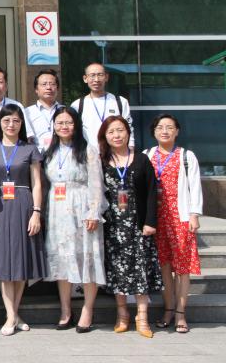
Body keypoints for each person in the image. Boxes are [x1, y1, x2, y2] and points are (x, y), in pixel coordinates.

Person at [42, 106, 106, 333]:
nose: (64, 126)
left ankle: (88, 310)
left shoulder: (87, 150)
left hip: (81, 207)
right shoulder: (49, 152)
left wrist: (93, 212)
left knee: (87, 257)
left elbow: (96, 183)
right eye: (60, 123)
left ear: (76, 125)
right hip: (57, 211)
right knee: (62, 260)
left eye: (69, 122)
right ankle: (65, 310)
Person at [0, 104, 46, 336]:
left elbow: (37, 183)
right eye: (6, 120)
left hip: (23, 204)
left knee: (21, 259)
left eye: (16, 121)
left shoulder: (30, 149)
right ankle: (12, 316)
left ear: (21, 124)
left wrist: (37, 212)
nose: (11, 125)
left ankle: (12, 314)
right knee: (4, 261)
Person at [99, 115, 159, 338]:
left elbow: (152, 192)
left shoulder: (141, 159)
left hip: (138, 224)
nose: (116, 135)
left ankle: (142, 318)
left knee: (140, 270)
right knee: (118, 271)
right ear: (105, 136)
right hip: (112, 227)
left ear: (128, 132)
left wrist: (150, 222)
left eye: (120, 130)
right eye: (111, 132)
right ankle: (122, 314)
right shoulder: (101, 161)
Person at [145, 114, 202, 334]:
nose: (165, 131)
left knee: (182, 267)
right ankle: (168, 309)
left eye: (170, 127)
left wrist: (194, 214)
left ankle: (180, 312)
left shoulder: (186, 156)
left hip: (180, 217)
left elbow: (195, 186)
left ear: (177, 131)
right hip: (156, 218)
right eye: (160, 127)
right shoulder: (147, 155)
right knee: (164, 266)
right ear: (154, 132)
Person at [71, 62, 133, 147]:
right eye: (92, 75)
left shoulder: (120, 102)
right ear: (85, 78)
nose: (96, 79)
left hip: (115, 152)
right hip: (89, 153)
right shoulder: (77, 105)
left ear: (106, 77)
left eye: (100, 75)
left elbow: (128, 127)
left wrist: (131, 147)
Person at [25, 69, 62, 152]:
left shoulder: (65, 111)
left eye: (52, 84)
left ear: (57, 88)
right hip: (36, 156)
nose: (48, 87)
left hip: (61, 154)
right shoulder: (27, 112)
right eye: (44, 84)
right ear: (36, 89)